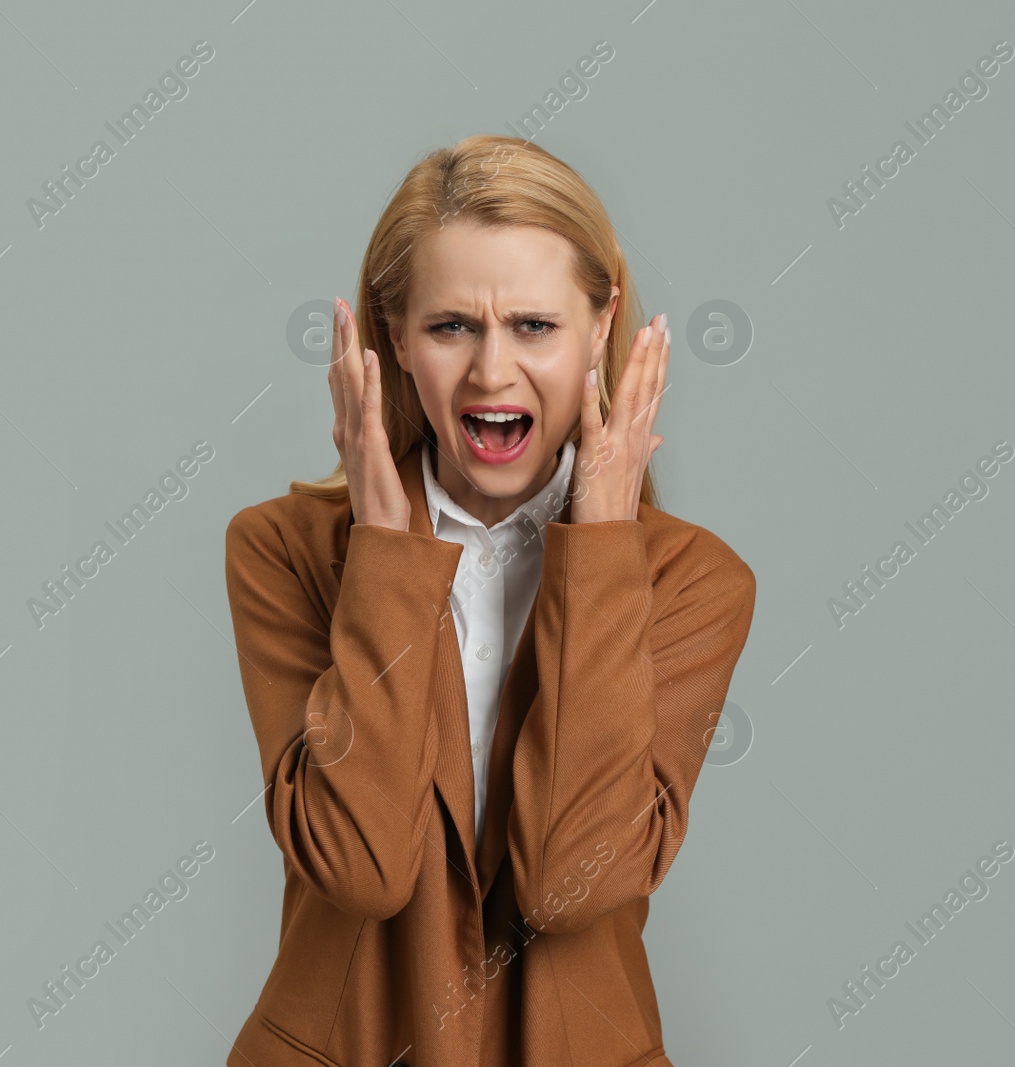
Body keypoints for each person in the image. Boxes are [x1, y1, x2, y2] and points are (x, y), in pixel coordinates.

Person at [223, 134, 756, 1067]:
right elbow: (362, 864)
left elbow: (567, 883)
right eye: (452, 326)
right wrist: (385, 556)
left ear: (603, 326)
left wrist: (597, 552)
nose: (491, 373)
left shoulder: (694, 583)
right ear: (392, 335)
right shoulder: (283, 553)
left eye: (536, 326)